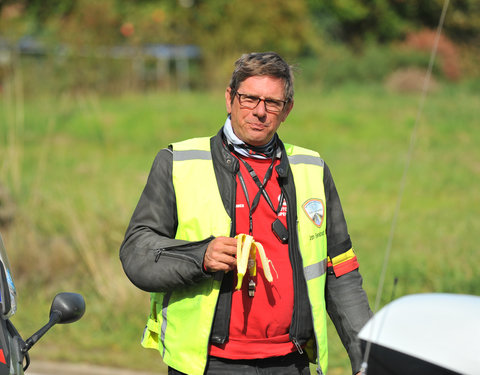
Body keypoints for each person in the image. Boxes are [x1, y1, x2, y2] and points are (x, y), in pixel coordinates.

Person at [120, 51, 372, 375]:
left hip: (290, 362)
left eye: (273, 103)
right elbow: (137, 251)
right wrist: (202, 255)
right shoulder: (178, 161)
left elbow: (341, 271)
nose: (260, 111)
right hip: (209, 364)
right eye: (249, 98)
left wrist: (367, 359)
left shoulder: (312, 169)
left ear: (287, 110)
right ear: (229, 98)